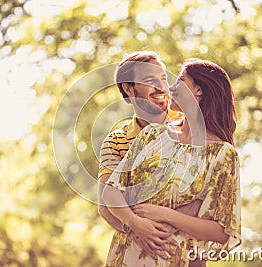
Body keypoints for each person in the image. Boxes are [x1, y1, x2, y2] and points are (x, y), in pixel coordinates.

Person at [102, 58, 241, 266]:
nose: (170, 88)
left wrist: (165, 214)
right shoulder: (153, 134)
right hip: (126, 257)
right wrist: (136, 223)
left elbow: (222, 231)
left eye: (179, 81)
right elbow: (110, 192)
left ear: (199, 91)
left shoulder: (222, 154)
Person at [98, 51, 203, 263]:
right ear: (129, 89)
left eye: (163, 79)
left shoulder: (191, 129)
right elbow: (105, 205)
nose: (161, 87)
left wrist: (161, 230)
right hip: (134, 257)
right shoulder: (116, 142)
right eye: (150, 81)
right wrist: (137, 229)